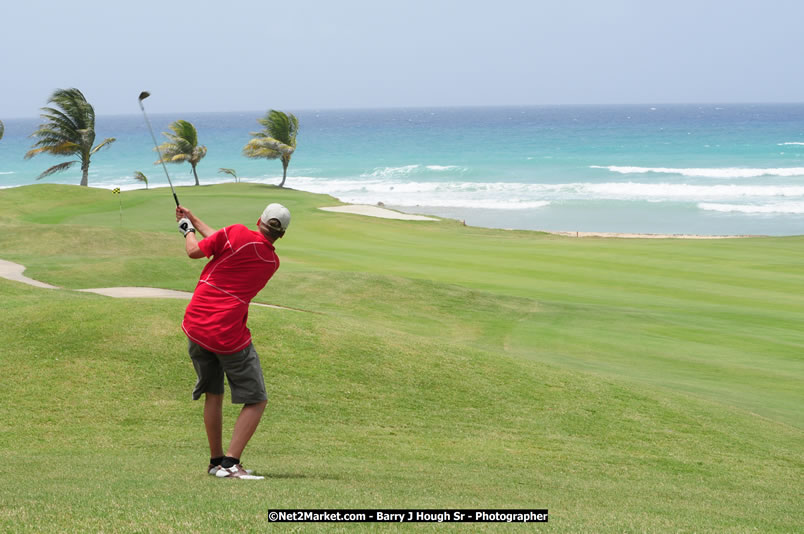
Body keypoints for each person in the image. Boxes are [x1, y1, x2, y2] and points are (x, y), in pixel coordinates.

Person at [175, 202, 290, 480]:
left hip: (196, 325)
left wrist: (186, 228)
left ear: (258, 219)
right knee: (256, 399)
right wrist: (193, 219)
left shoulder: (235, 234)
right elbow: (223, 242)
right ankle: (230, 463)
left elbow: (197, 249)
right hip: (227, 334)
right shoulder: (271, 262)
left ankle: (217, 462)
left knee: (214, 392)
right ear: (281, 235)